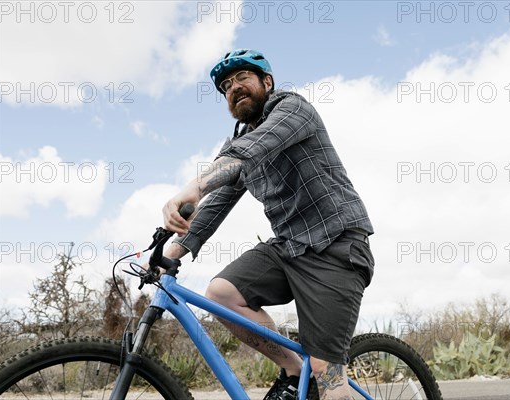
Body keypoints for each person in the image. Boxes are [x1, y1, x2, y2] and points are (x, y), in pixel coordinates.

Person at [160, 49, 375, 400]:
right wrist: (171, 254)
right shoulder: (237, 144)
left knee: (326, 373)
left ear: (267, 82)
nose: (234, 87)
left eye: (243, 77)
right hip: (288, 247)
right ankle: (292, 369)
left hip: (335, 246)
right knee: (221, 294)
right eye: (226, 85)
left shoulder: (293, 109)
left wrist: (193, 187)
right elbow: (217, 203)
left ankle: (319, 376)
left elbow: (253, 148)